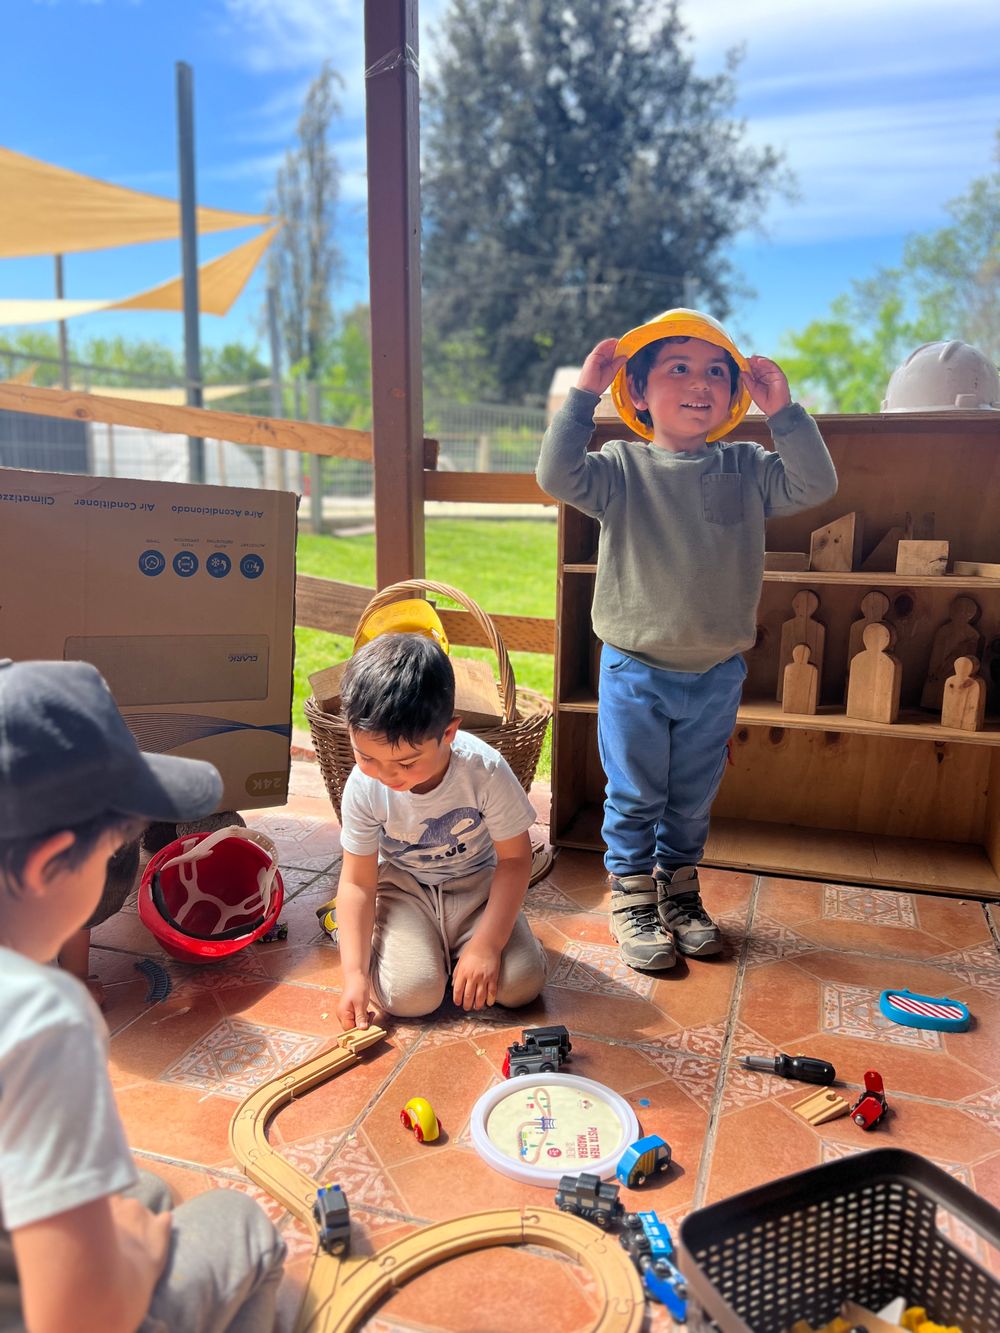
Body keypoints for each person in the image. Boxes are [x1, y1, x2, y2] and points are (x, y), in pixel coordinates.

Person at [537, 308, 837, 971]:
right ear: (639, 392)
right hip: (635, 670)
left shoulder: (748, 468)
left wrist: (784, 411)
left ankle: (679, 889)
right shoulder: (618, 467)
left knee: (691, 797)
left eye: (716, 372)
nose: (700, 383)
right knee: (636, 793)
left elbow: (816, 483)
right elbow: (556, 475)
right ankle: (632, 895)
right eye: (679, 368)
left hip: (716, 672)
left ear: (734, 394)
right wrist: (583, 396)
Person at [0, 659, 286, 1333]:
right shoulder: (40, 1019)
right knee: (241, 1227)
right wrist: (137, 1251)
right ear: (48, 866)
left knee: (147, 1190)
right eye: (116, 849)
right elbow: (80, 1320)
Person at [334, 633, 547, 1030]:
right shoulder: (363, 787)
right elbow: (359, 883)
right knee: (411, 997)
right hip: (404, 890)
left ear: (448, 733)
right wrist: (355, 976)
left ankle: (471, 945)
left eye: (407, 762)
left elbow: (517, 860)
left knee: (521, 986)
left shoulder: (484, 770)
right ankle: (383, 939)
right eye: (367, 757)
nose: (387, 776)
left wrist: (487, 944)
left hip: (477, 886)